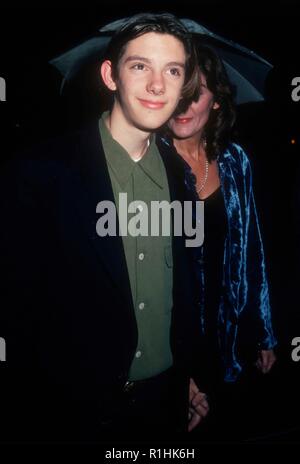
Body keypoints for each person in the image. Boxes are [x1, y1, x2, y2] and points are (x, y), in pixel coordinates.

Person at [0, 13, 209, 444]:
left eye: (173, 70)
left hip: (163, 406)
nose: (157, 85)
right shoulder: (41, 173)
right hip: (72, 413)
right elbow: (16, 307)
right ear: (110, 75)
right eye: (140, 66)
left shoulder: (180, 178)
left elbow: (176, 291)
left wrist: (181, 374)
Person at [158, 41, 277, 441]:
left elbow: (253, 249)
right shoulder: (148, 162)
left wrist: (263, 332)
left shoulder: (234, 160)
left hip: (230, 336)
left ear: (218, 103)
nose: (184, 104)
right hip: (171, 339)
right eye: (179, 90)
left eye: (198, 93)